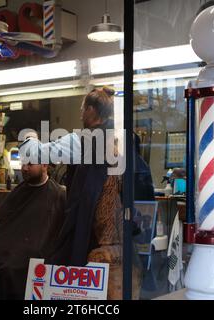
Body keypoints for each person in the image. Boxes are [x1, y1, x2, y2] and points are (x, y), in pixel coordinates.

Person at [21, 87, 141, 299]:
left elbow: (33, 153)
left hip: (87, 237)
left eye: (83, 108)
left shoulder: (79, 141)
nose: (80, 113)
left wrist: (30, 137)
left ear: (92, 110)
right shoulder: (124, 140)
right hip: (120, 239)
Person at [0, 163, 66, 300]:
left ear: (44, 165)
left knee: (9, 270)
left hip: (35, 257)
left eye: (30, 164)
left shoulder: (58, 194)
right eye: (23, 164)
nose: (25, 168)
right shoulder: (19, 191)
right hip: (10, 250)